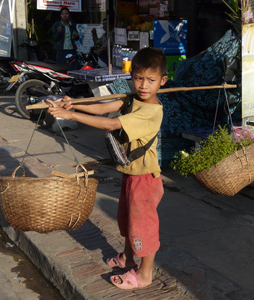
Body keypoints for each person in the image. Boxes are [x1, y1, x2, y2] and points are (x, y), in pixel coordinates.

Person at [46, 47, 168, 290]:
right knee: (127, 220)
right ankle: (127, 258)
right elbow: (103, 106)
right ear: (131, 76)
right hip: (131, 174)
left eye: (151, 80)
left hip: (144, 179)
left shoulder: (150, 112)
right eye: (138, 78)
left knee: (143, 227)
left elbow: (110, 123)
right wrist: (74, 104)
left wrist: (71, 117)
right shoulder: (132, 99)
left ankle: (145, 274)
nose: (143, 85)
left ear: (162, 81)